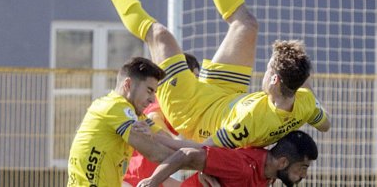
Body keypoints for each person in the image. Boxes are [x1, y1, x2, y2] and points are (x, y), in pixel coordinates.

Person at [93, 0, 330, 151]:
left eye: (268, 69)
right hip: (227, 97)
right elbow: (326, 124)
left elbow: (203, 149)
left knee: (159, 34)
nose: (264, 73)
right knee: (246, 25)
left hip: (193, 113)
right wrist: (303, 91)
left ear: (276, 80)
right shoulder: (305, 104)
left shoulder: (248, 120)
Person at [67, 57, 175, 187]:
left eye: (155, 93)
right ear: (128, 85)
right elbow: (155, 153)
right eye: (149, 91)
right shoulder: (115, 106)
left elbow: (170, 143)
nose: (152, 99)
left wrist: (203, 152)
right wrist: (201, 162)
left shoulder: (136, 114)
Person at [124, 53, 200, 187]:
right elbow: (155, 118)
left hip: (152, 176)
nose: (196, 84)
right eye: (193, 78)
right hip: (139, 177)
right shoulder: (161, 103)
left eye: (197, 79)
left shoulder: (182, 108)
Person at [137, 130, 318, 187]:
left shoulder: (267, 172)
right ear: (283, 162)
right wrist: (152, 182)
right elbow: (188, 154)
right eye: (303, 167)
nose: (305, 175)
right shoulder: (242, 167)